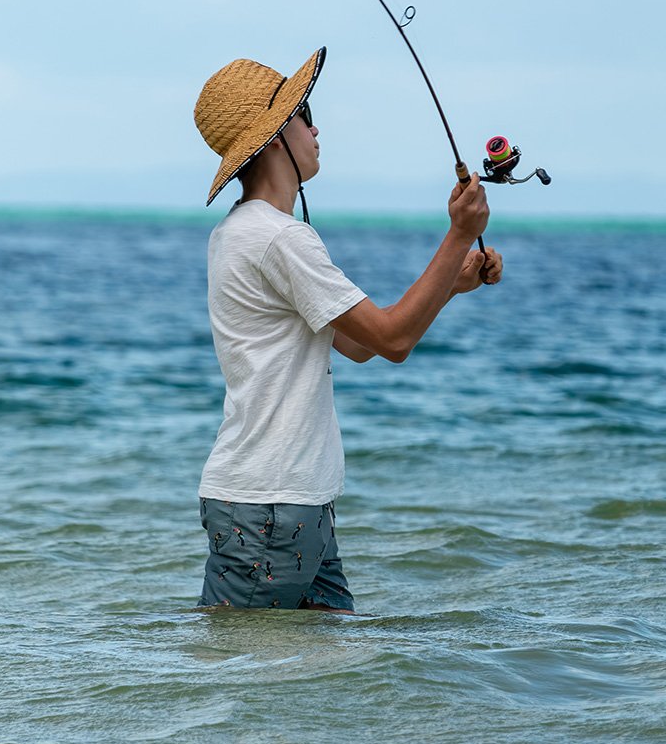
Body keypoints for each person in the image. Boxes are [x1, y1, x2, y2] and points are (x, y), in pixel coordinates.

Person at [192, 46, 502, 612]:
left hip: (285, 502)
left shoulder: (239, 232)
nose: (316, 128)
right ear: (278, 134)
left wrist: (451, 286)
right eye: (305, 114)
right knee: (239, 668)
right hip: (272, 505)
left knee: (317, 683)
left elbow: (360, 345)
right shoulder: (280, 239)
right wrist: (459, 235)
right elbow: (391, 340)